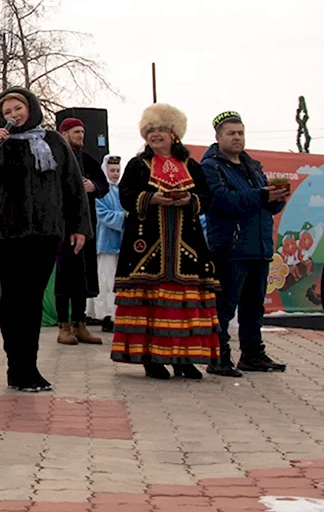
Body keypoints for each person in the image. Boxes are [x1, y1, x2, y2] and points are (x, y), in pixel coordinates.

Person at [0, 87, 91, 393]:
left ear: (30, 109)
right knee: (14, 299)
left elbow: (72, 185)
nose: (13, 116)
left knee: (32, 299)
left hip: (45, 233)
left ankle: (29, 366)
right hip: (7, 233)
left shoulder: (53, 141)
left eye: (18, 109)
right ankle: (16, 366)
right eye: (7, 112)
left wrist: (78, 226)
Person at [110, 103, 221, 380]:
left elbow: (207, 198)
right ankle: (152, 359)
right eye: (150, 131)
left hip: (187, 248)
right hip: (147, 248)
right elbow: (125, 195)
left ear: (174, 133)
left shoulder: (191, 166)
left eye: (160, 129)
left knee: (185, 306)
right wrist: (150, 199)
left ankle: (184, 360)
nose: (155, 135)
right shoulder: (138, 165)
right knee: (151, 303)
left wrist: (190, 200)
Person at [202, 111, 289, 377]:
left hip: (259, 247)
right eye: (231, 133)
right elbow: (223, 201)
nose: (237, 138)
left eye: (240, 133)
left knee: (254, 307)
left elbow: (264, 205)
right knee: (225, 306)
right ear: (218, 137)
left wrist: (277, 198)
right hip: (231, 248)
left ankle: (252, 354)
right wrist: (261, 195)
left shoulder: (252, 166)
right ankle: (218, 357)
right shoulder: (211, 167)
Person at [54, 118, 107, 346]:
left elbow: (103, 184)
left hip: (86, 226)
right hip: (63, 226)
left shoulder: (87, 160)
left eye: (83, 133)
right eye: (76, 132)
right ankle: (63, 326)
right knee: (65, 277)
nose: (80, 136)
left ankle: (79, 324)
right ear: (63, 133)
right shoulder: (55, 159)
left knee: (83, 276)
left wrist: (93, 186)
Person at [91, 155, 124, 333]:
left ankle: (117, 314)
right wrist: (122, 218)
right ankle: (106, 315)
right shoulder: (101, 192)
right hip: (106, 243)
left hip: (120, 243)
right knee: (106, 280)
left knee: (117, 281)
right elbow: (101, 214)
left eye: (118, 170)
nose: (115, 174)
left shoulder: (121, 191)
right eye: (112, 170)